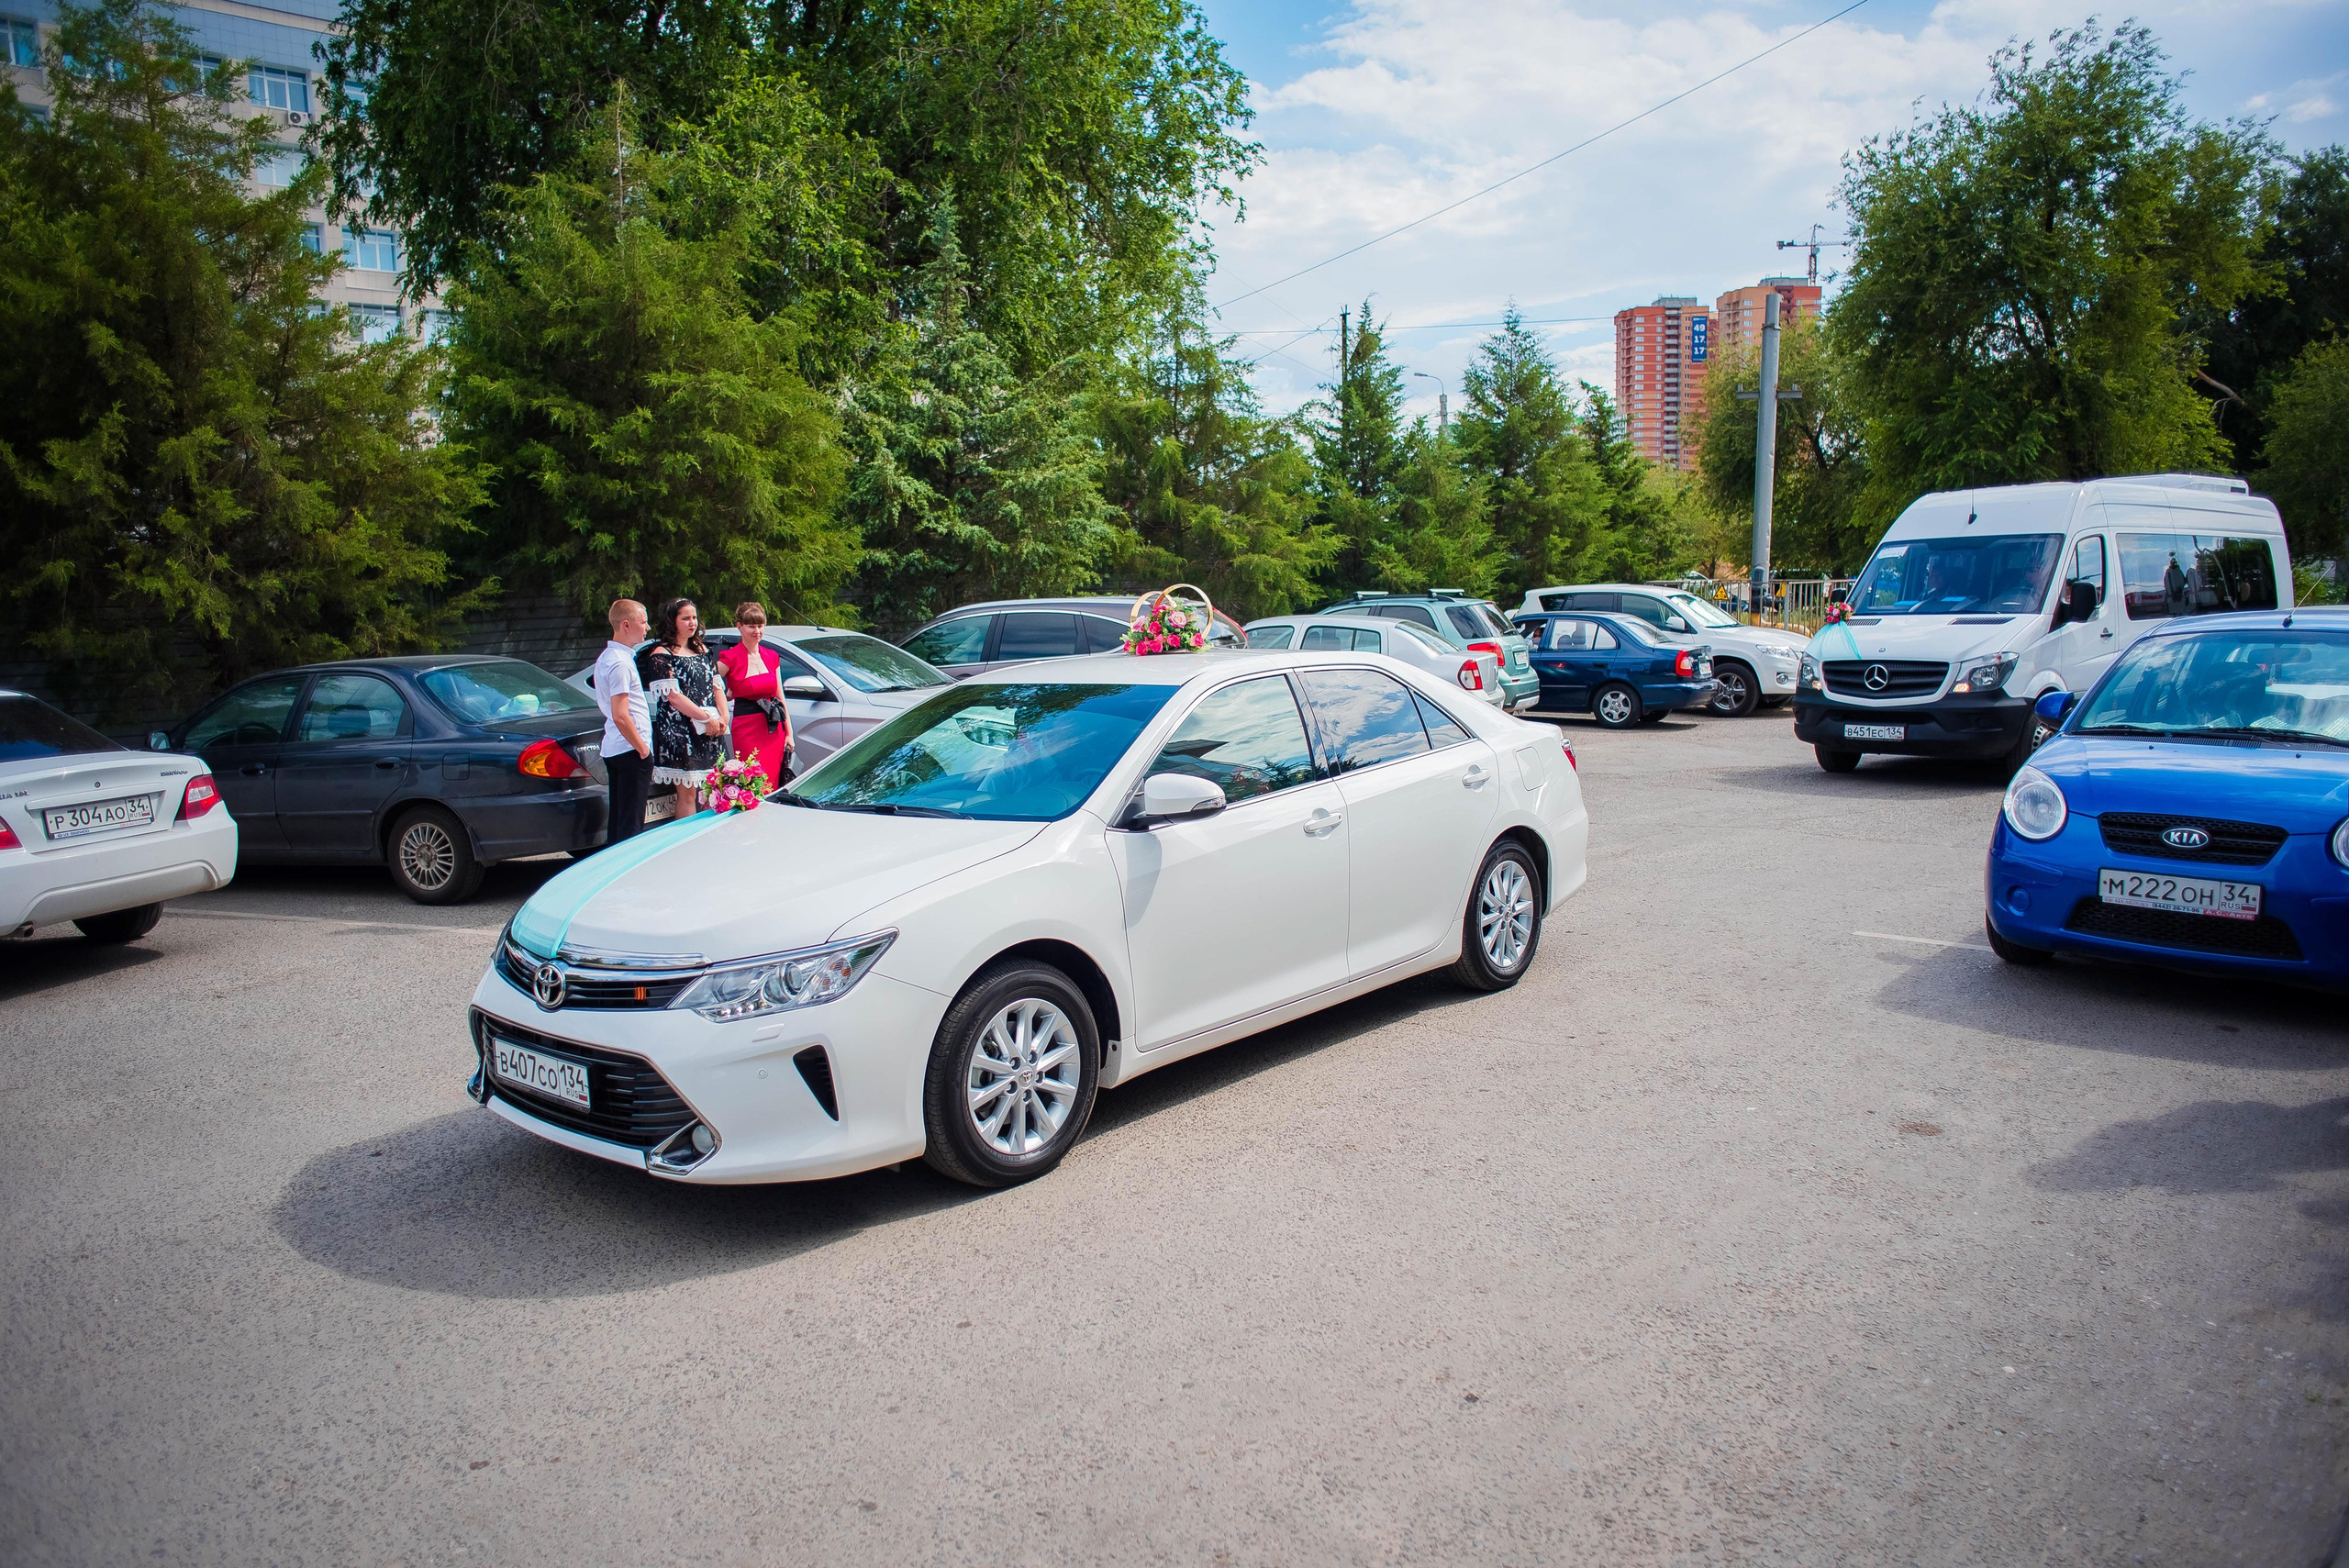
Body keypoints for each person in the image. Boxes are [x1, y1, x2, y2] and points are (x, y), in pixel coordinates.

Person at [640, 597, 728, 818]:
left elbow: (717, 686)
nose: (692, 623)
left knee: (712, 789)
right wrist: (706, 718)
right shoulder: (661, 654)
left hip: (710, 727)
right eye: (686, 618)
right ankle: (686, 844)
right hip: (680, 731)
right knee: (688, 793)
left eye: (695, 618)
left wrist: (724, 717)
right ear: (673, 621)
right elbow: (674, 697)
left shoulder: (702, 649)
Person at [594, 598, 654, 846]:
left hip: (619, 747)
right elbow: (620, 714)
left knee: (620, 820)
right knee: (630, 823)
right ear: (626, 625)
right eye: (643, 622)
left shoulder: (613, 657)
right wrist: (642, 748)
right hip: (629, 749)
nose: (648, 627)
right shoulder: (619, 663)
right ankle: (627, 878)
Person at [718, 602, 792, 790]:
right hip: (746, 728)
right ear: (739, 627)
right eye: (751, 626)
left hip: (773, 728)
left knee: (773, 782)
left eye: (760, 626)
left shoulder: (771, 655)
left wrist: (789, 734)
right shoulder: (730, 657)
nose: (757, 631)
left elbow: (780, 697)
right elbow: (707, 681)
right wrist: (723, 694)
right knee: (750, 781)